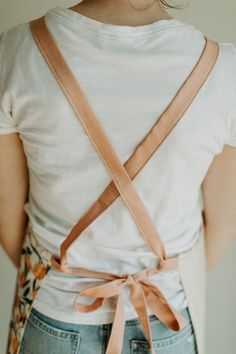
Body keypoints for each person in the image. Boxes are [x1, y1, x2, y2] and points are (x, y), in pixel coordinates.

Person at [1, 1, 236, 353]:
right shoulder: (223, 70)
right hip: (168, 319)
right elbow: (222, 223)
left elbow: (7, 214)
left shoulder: (16, 50)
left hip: (56, 315)